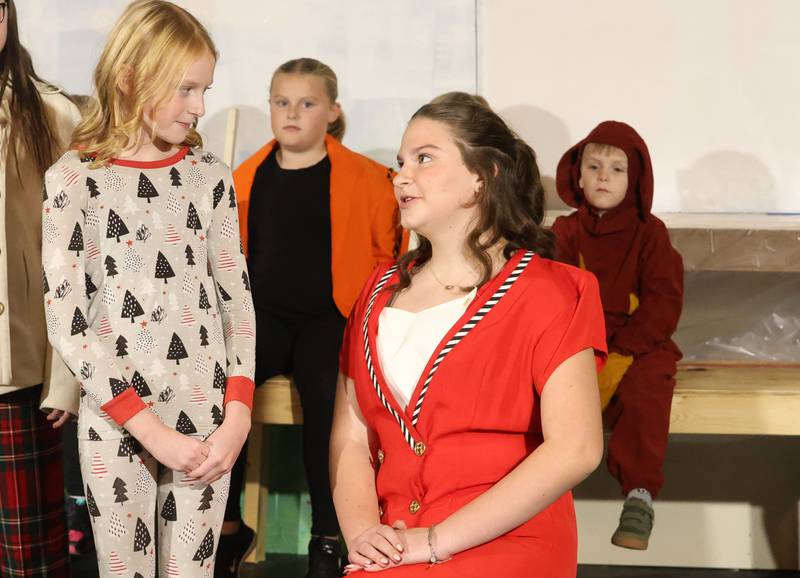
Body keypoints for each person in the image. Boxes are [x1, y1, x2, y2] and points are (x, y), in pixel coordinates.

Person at [330, 92, 607, 576]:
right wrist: (362, 536)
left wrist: (435, 542)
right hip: (394, 545)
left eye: (425, 159)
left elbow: (576, 448)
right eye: (400, 163)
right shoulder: (375, 292)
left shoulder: (552, 292)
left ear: (482, 178)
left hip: (507, 543)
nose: (402, 177)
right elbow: (351, 438)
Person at [41, 2, 255, 576]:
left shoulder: (210, 175)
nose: (200, 107)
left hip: (210, 426)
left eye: (205, 89)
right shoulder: (72, 180)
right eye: (186, 89)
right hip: (118, 425)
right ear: (132, 76)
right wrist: (149, 430)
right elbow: (69, 321)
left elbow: (237, 301)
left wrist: (238, 415)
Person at [224, 57, 404, 578]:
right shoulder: (244, 178)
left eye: (307, 103)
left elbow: (385, 255)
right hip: (264, 318)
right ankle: (229, 528)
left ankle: (329, 534)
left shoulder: (369, 180)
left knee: (328, 399)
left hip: (331, 316)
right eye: (282, 102)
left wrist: (370, 319)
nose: (292, 113)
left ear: (332, 111)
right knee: (223, 393)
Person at [551, 120, 684, 550]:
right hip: (579, 341)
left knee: (647, 390)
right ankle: (539, 492)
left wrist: (626, 351)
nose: (603, 177)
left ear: (637, 179)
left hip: (638, 343)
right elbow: (553, 296)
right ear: (577, 174)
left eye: (616, 169)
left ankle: (639, 496)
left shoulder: (651, 233)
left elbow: (663, 301)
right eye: (593, 166)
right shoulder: (565, 232)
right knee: (540, 387)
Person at [0, 1, 81, 575]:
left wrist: (67, 375)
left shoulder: (50, 114)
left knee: (29, 560)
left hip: (21, 369)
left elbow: (78, 254)